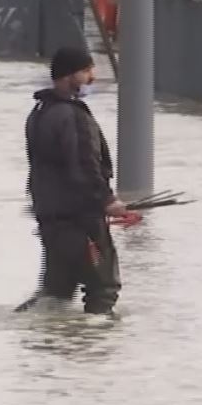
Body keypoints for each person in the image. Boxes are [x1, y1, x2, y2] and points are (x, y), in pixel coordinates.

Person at [22, 46, 128, 314]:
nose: (92, 76)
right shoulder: (72, 116)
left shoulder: (39, 112)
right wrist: (107, 200)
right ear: (69, 75)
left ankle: (48, 346)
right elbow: (84, 165)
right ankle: (95, 347)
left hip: (51, 220)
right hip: (80, 222)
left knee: (56, 294)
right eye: (87, 70)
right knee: (103, 290)